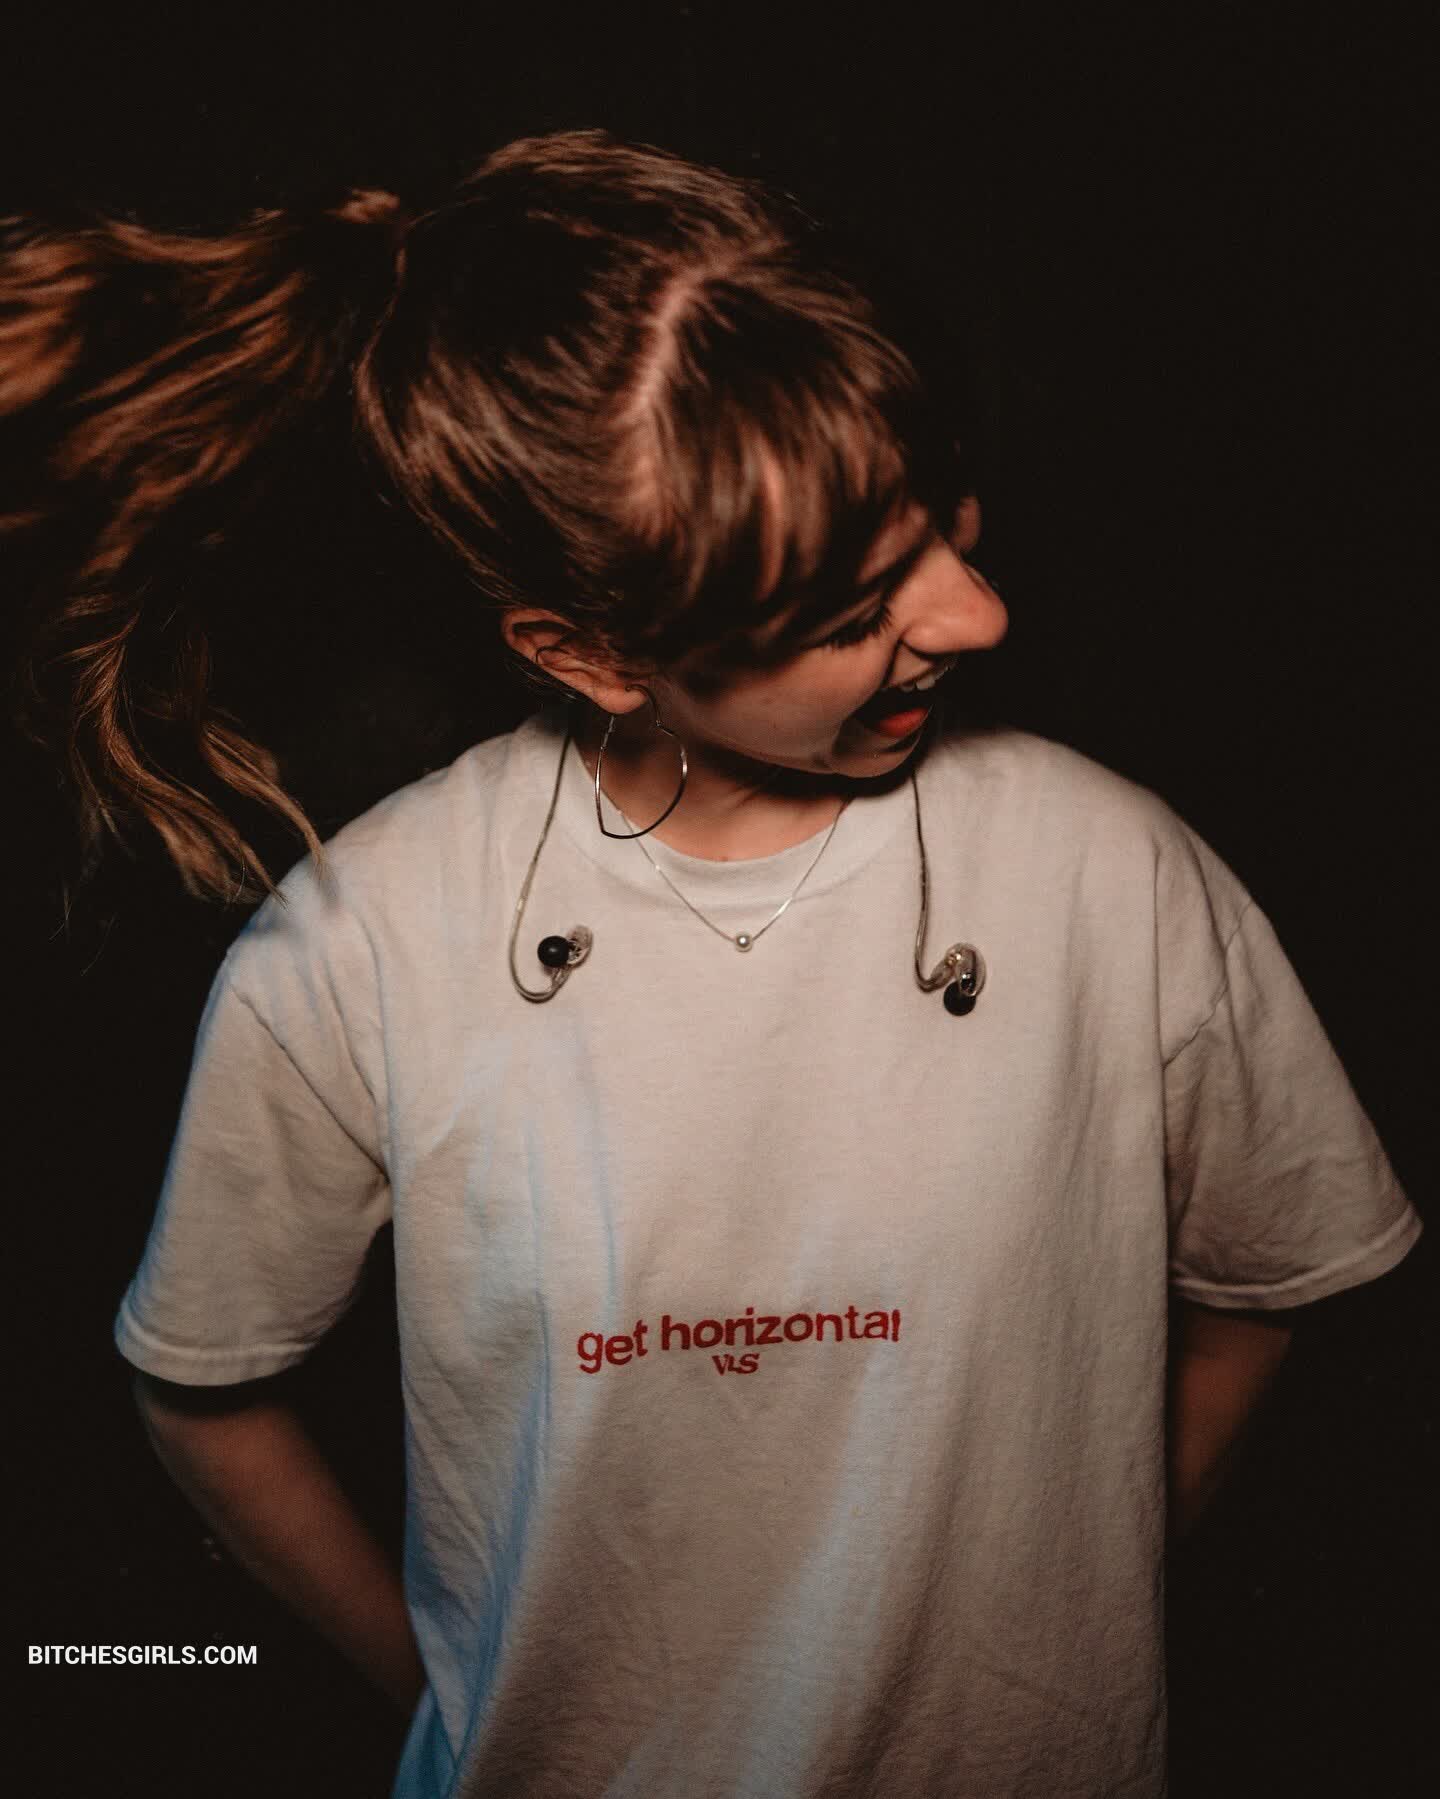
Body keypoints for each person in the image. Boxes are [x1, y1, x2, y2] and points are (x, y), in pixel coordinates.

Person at [4, 129, 1419, 1798]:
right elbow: (204, 1390)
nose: (974, 615)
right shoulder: (362, 947)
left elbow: (1276, 1275)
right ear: (592, 651)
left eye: (939, 511)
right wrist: (459, 1698)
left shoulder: (1110, 870)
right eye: (848, 608)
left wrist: (1074, 1593)